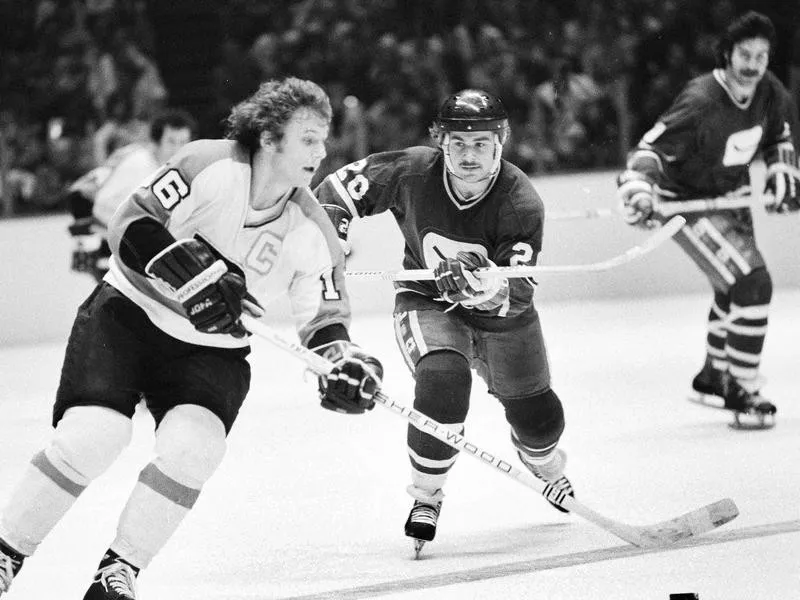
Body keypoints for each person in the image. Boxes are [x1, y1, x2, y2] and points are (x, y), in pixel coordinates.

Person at [0, 77, 383, 599]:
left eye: (324, 138)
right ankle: (6, 554)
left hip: (213, 351)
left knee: (194, 451)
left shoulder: (314, 228)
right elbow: (129, 224)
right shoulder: (208, 163)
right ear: (270, 138)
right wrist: (192, 276)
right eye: (309, 138)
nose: (322, 151)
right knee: (92, 436)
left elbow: (324, 321)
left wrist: (343, 360)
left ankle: (120, 572)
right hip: (129, 315)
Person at [314, 89, 574, 553]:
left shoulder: (521, 201)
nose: (468, 155)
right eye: (458, 143)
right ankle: (426, 495)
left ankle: (545, 460)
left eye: (480, 143)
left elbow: (515, 294)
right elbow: (334, 192)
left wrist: (481, 285)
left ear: (501, 142)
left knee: (539, 419)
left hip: (503, 319)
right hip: (426, 302)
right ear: (440, 142)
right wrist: (328, 235)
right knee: (442, 381)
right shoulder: (412, 171)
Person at [617, 11, 799, 425]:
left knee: (731, 289)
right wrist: (638, 188)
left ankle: (714, 376)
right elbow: (651, 148)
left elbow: (779, 135)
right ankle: (744, 389)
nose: (753, 64)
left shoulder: (770, 91)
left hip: (730, 202)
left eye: (761, 55)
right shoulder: (701, 100)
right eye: (745, 54)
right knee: (753, 283)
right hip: (689, 207)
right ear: (726, 54)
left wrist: (782, 171)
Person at [66, 108, 197, 283]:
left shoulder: (159, 164)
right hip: (93, 219)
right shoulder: (141, 164)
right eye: (171, 141)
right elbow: (101, 204)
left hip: (105, 225)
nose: (178, 148)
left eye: (183, 142)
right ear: (155, 142)